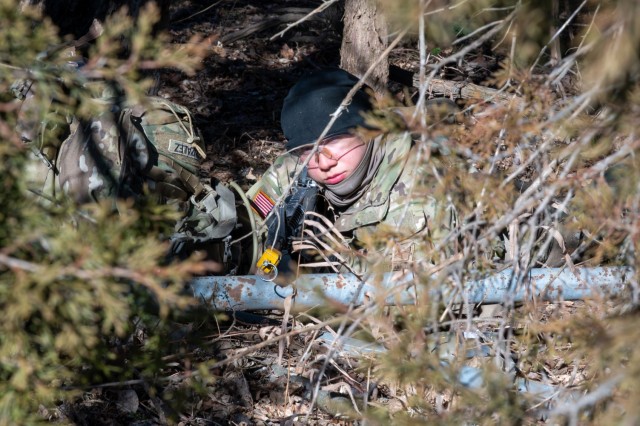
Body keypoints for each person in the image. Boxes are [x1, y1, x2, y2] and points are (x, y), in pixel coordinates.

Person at [246, 68, 460, 274]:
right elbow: (248, 228)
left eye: (334, 142)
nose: (323, 163)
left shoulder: (418, 186)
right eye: (307, 149)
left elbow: (415, 289)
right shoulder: (297, 165)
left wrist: (334, 260)